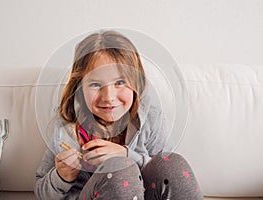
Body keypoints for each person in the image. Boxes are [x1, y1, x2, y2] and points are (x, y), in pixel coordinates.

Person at [35, 30, 203, 200]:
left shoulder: (151, 120)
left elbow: (164, 175)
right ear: (79, 88)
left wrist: (128, 155)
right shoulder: (67, 129)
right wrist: (61, 177)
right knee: (118, 168)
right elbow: (41, 193)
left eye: (120, 82)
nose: (108, 97)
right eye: (95, 84)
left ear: (136, 83)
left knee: (171, 163)